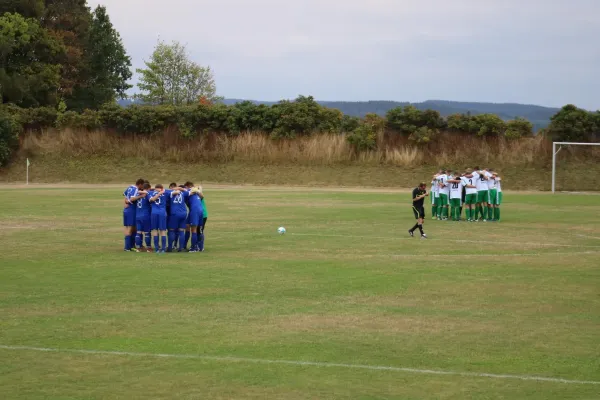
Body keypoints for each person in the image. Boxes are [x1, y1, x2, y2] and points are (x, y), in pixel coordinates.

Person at [123, 178, 145, 252]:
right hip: (131, 210)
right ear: (140, 184)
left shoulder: (130, 187)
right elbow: (132, 199)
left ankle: (131, 245)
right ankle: (127, 247)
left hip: (126, 210)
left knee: (132, 228)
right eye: (142, 186)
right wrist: (140, 196)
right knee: (130, 228)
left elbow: (125, 195)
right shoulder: (135, 189)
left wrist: (126, 202)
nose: (142, 188)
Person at [149, 184, 172, 254]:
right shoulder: (165, 192)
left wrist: (156, 191)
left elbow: (151, 199)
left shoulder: (150, 193)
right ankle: (163, 249)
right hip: (162, 213)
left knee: (155, 230)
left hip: (154, 213)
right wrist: (160, 192)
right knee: (162, 231)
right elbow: (174, 191)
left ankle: (157, 249)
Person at [167, 186, 189, 252]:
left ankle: (170, 248)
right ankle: (181, 248)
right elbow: (187, 191)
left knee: (171, 230)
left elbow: (164, 191)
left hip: (175, 213)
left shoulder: (170, 192)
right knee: (181, 231)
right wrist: (180, 188)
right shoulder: (183, 193)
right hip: (183, 213)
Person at [135, 183, 153, 252]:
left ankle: (138, 248)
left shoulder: (138, 194)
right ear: (148, 188)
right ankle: (148, 248)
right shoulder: (147, 194)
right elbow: (151, 201)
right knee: (147, 232)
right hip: (145, 216)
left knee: (138, 232)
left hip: (138, 216)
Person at [188, 186, 205, 252]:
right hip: (201, 211)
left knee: (194, 230)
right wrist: (198, 190)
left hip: (195, 211)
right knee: (200, 230)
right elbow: (202, 196)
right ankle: (200, 247)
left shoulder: (189, 193)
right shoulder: (197, 194)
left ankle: (193, 248)